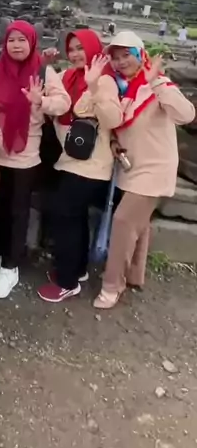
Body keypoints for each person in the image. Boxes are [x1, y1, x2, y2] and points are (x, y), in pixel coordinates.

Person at [94, 31, 195, 309]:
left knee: (124, 221)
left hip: (155, 169)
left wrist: (156, 83)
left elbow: (186, 114)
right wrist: (114, 143)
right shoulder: (122, 88)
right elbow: (118, 126)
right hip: (131, 168)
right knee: (140, 224)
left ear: (141, 55)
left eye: (126, 55)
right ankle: (134, 275)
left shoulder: (157, 84)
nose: (120, 61)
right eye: (115, 57)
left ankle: (112, 285)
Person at [0, 20, 71, 299]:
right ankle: (4, 252)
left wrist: (41, 101)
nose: (16, 45)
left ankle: (12, 266)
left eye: (22, 40)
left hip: (25, 156)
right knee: (0, 209)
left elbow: (64, 103)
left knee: (19, 212)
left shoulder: (42, 71)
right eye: (12, 40)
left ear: (31, 43)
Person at [37, 29, 123, 303]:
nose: (75, 54)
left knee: (65, 218)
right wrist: (43, 65)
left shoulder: (104, 80)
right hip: (70, 160)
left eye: (80, 48)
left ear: (94, 49)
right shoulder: (67, 77)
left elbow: (113, 120)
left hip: (92, 165)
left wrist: (94, 87)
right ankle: (79, 269)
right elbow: (50, 98)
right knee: (74, 218)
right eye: (71, 49)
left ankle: (67, 282)